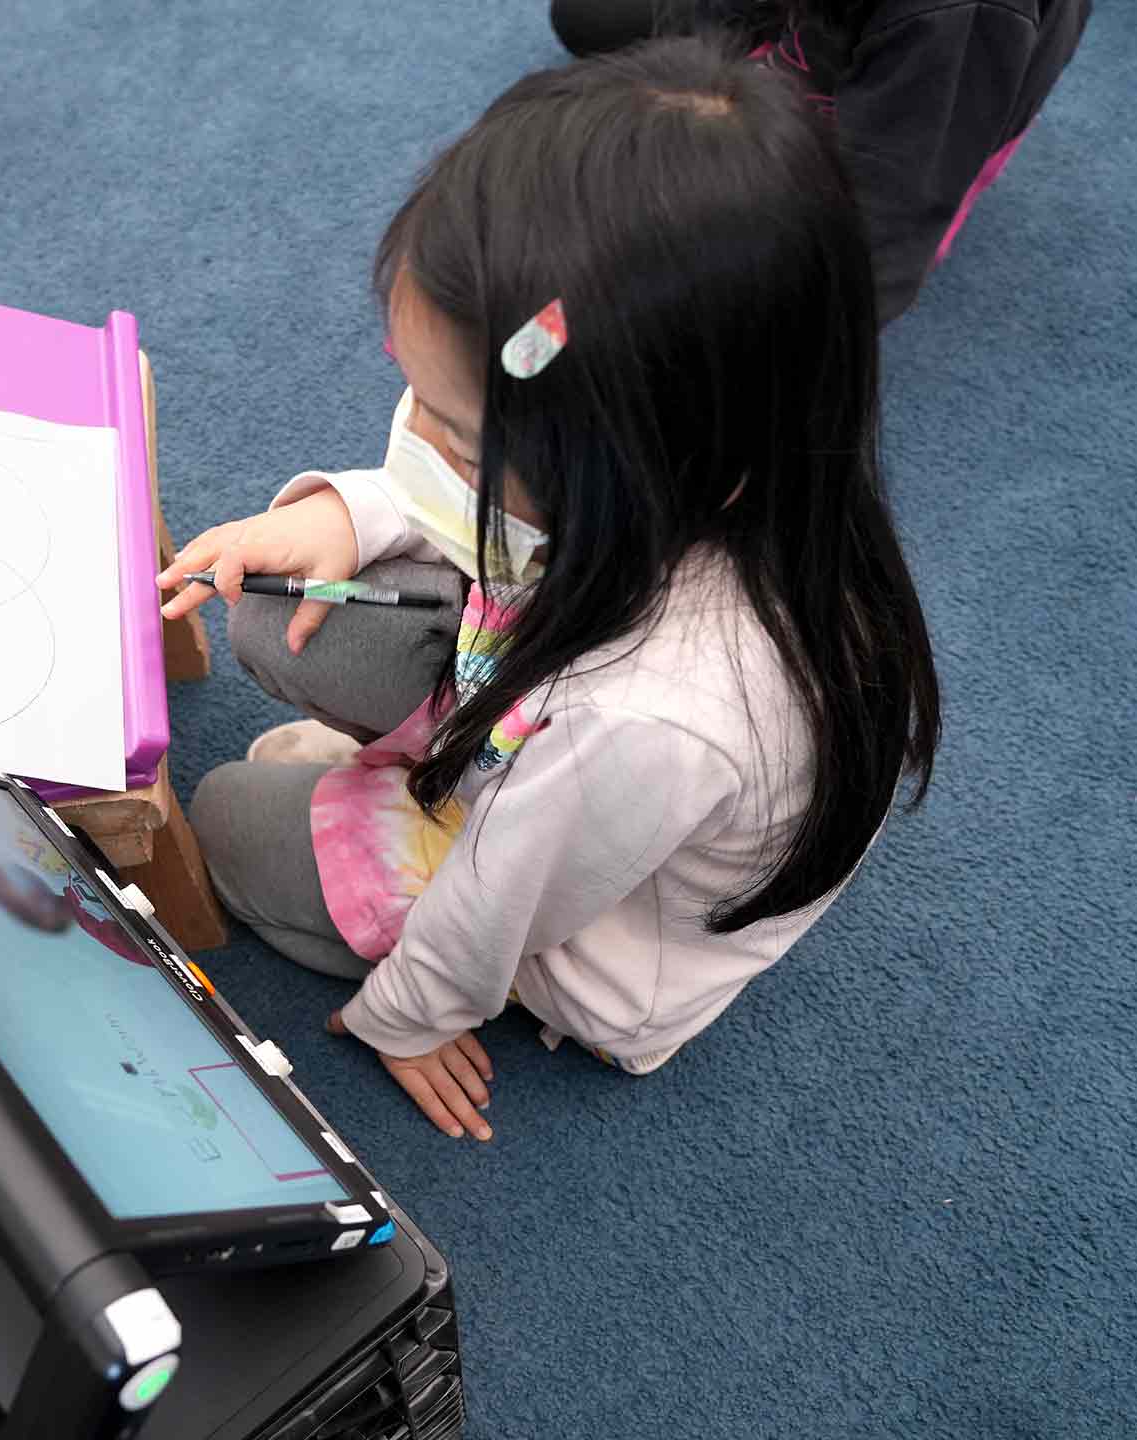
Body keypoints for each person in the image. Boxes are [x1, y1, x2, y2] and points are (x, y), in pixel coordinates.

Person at [160, 37, 941, 1140]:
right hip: (533, 695)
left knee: (228, 821)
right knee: (275, 603)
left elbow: (503, 899)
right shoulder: (707, 476)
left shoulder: (656, 716)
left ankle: (396, 804)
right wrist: (343, 513)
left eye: (459, 441)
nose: (417, 442)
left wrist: (412, 1017)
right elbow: (463, 522)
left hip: (582, 916)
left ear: (644, 458)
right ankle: (409, 761)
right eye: (414, 395)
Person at [545, 0, 1091, 325]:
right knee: (592, 16)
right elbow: (710, 34)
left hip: (925, 114)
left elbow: (876, 248)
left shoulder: (959, 19)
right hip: (816, 37)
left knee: (737, 303)